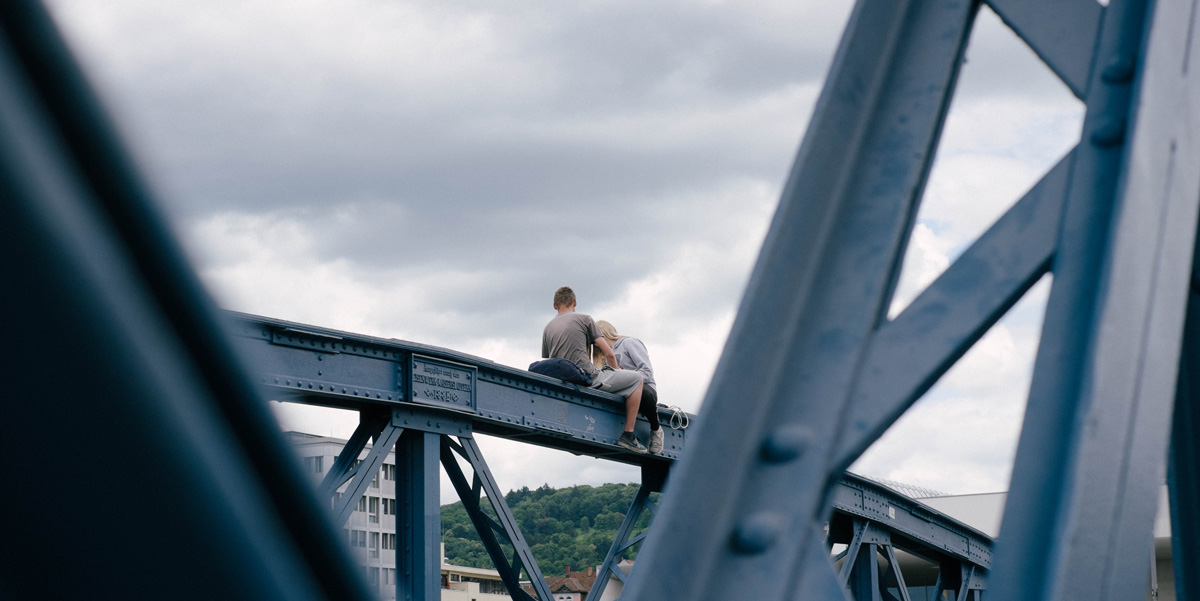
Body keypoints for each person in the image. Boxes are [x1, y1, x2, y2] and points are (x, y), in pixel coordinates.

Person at [542, 286, 648, 454]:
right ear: (575, 302)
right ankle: (628, 435)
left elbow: (550, 359)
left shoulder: (548, 328)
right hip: (586, 377)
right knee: (636, 379)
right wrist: (616, 373)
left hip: (563, 380)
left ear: (555, 306)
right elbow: (609, 354)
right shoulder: (585, 319)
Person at [592, 320, 664, 454]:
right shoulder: (605, 358)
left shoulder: (629, 343)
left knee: (644, 393)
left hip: (644, 390)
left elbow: (647, 373)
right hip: (623, 394)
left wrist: (627, 378)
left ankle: (656, 429)